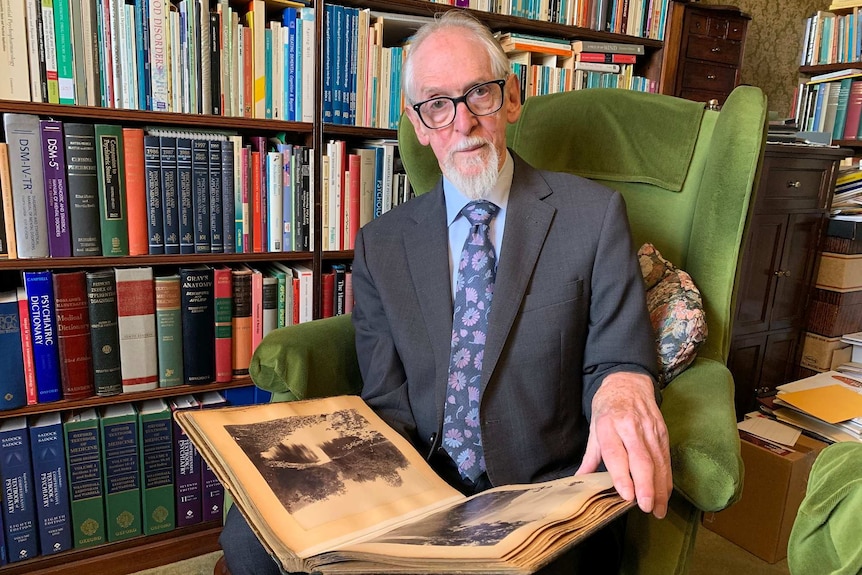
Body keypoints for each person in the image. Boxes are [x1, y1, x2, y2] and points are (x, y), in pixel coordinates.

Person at [220, 11, 671, 575]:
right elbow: (385, 398)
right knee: (251, 534)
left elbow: (620, 354)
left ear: (510, 100)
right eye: (437, 104)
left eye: (478, 94)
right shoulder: (381, 243)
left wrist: (623, 388)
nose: (463, 124)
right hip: (415, 480)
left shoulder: (592, 217)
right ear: (418, 123)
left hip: (537, 494)